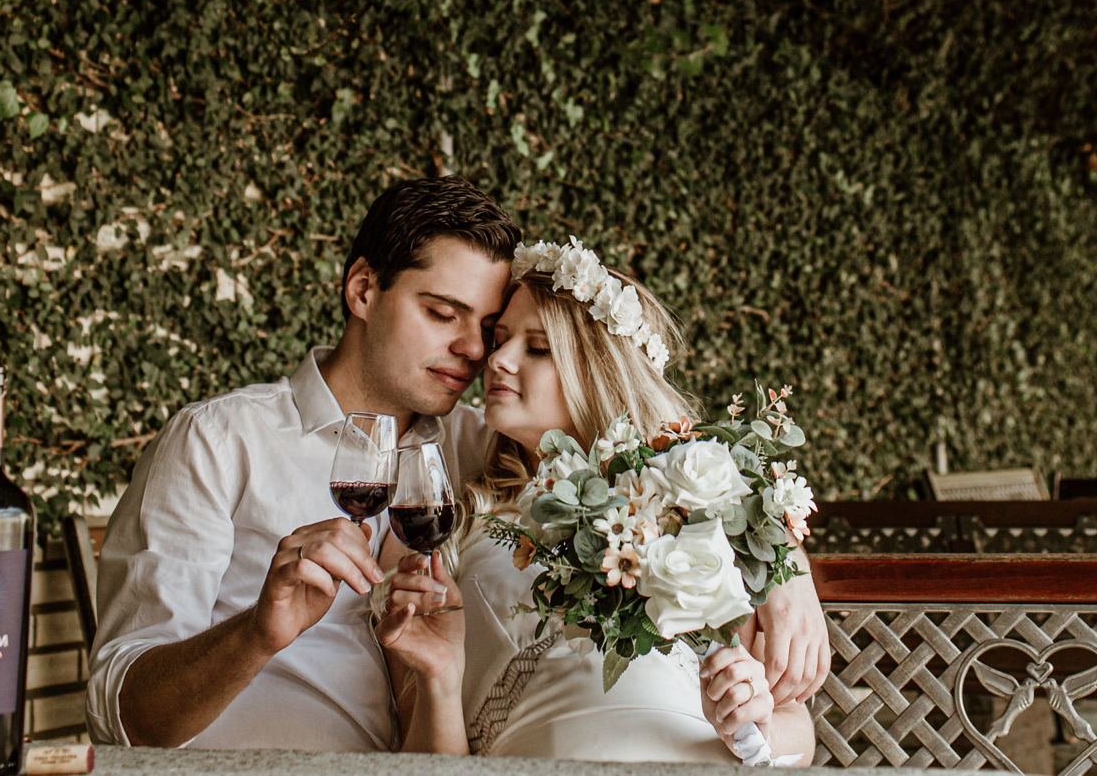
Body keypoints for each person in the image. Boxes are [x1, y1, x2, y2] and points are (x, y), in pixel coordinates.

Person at [87, 178, 828, 750]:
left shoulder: (478, 449)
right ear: (363, 289)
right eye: (444, 313)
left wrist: (784, 567)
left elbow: (653, 444)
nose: (478, 353)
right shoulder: (220, 442)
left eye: (489, 327)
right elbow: (122, 709)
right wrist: (257, 632)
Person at [373, 238, 821, 763]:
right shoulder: (445, 530)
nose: (498, 360)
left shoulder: (692, 513)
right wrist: (440, 683)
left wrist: (753, 716)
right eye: (501, 339)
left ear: (597, 372)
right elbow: (426, 761)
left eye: (537, 348)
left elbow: (796, 734)